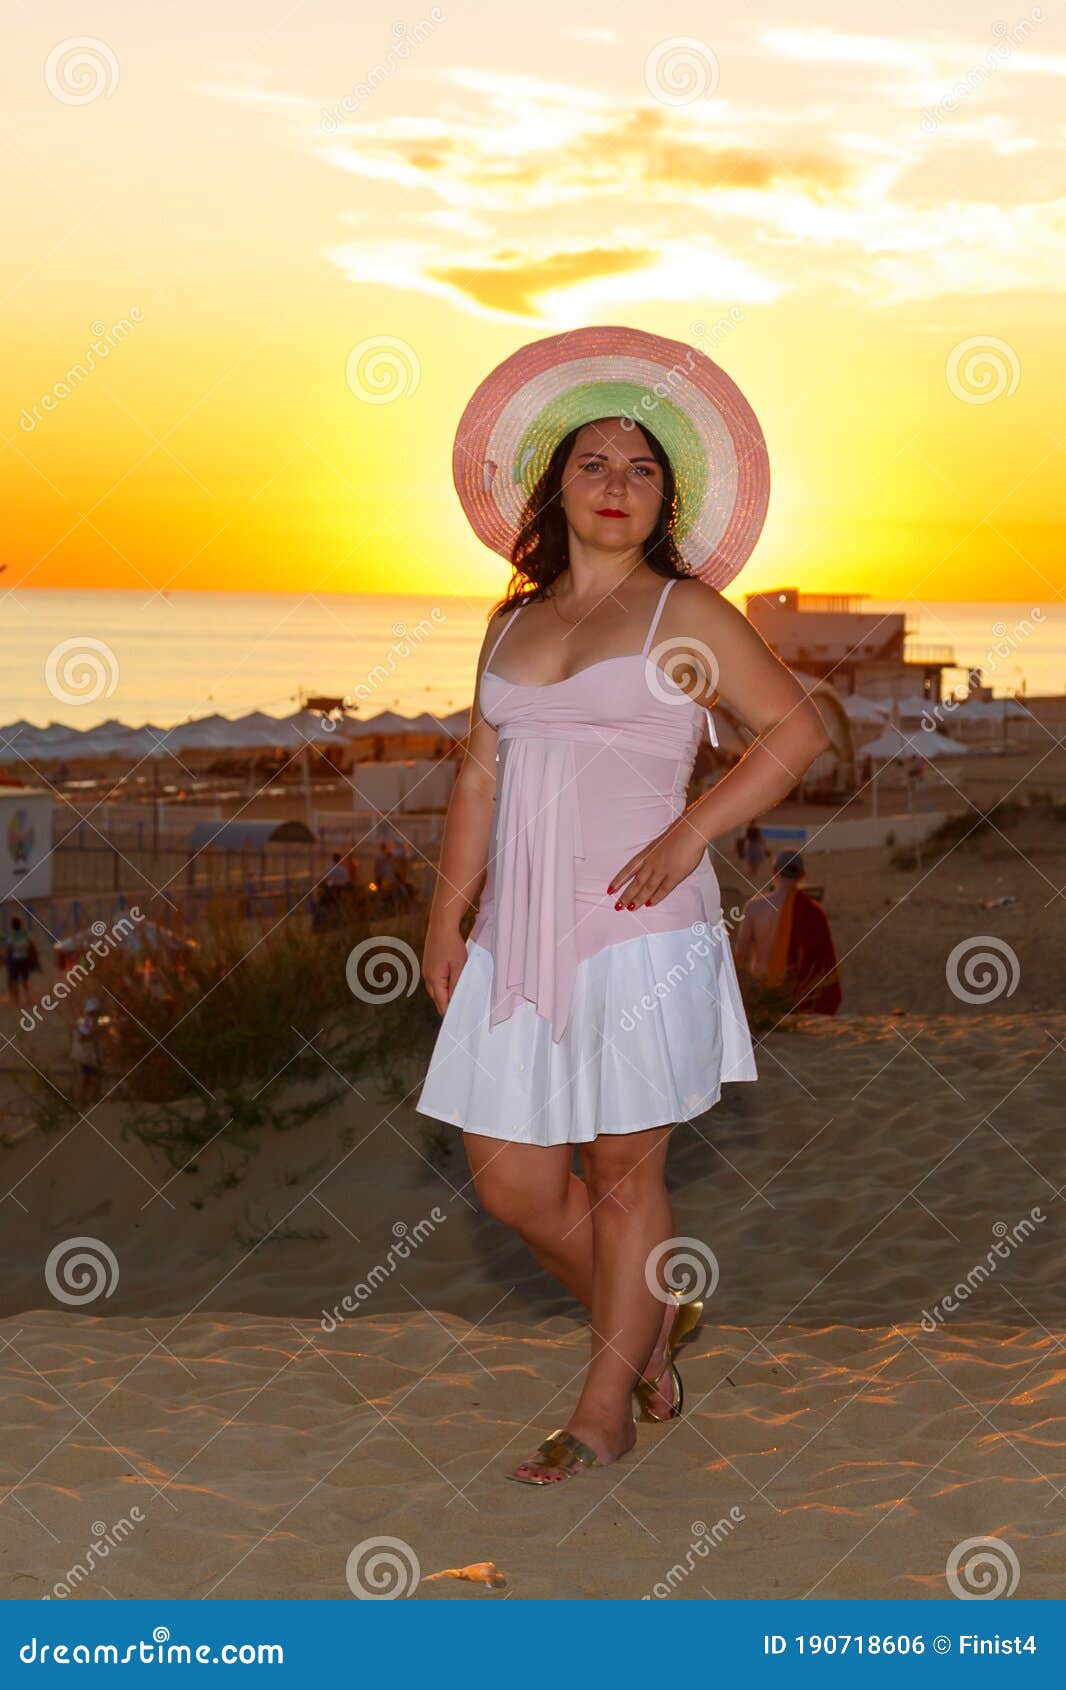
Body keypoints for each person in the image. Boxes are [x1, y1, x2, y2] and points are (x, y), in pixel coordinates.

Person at [415, 325, 829, 1486]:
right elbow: (479, 776)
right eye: (595, 462)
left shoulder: (681, 617)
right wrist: (445, 917)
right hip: (517, 939)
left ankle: (609, 1403)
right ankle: (646, 1322)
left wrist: (691, 829)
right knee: (513, 1186)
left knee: (621, 1175)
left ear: (666, 502)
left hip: (640, 933)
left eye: (642, 468)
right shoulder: (511, 624)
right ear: (555, 486)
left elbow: (795, 731)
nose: (616, 483)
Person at [735, 850, 842, 1015]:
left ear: (774, 872)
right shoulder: (813, 912)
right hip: (796, 1001)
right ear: (803, 875)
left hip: (761, 995)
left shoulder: (754, 907)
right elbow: (823, 966)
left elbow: (741, 956)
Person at [71, 998, 106, 1106]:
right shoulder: (85, 1022)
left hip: (89, 1057)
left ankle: (87, 1101)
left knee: (90, 1080)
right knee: (86, 1080)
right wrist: (96, 1033)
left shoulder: (93, 1022)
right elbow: (84, 1037)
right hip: (84, 1057)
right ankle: (83, 1102)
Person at [4, 915, 33, 1007]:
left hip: (15, 960)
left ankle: (16, 999)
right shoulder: (24, 934)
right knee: (25, 979)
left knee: (15, 979)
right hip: (24, 959)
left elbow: (8, 947)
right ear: (20, 924)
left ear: (12, 925)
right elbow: (29, 944)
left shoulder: (11, 935)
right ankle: (28, 997)